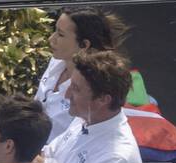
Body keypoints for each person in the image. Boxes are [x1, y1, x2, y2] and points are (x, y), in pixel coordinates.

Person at [41, 49, 144, 163]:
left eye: (76, 89)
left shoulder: (115, 159)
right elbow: (46, 155)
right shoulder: (84, 119)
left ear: (103, 99)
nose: (66, 94)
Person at [35, 8, 127, 143]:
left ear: (84, 45)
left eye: (60, 35)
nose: (51, 39)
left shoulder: (90, 89)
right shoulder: (57, 60)